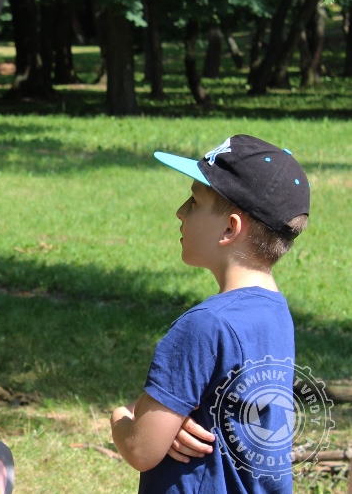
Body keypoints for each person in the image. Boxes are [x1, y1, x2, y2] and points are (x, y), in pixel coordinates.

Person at [111, 135, 311, 492]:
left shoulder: (205, 325)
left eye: (194, 201)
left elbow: (141, 449)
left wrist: (121, 415)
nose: (180, 211)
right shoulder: (275, 313)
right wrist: (171, 421)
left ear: (230, 228)